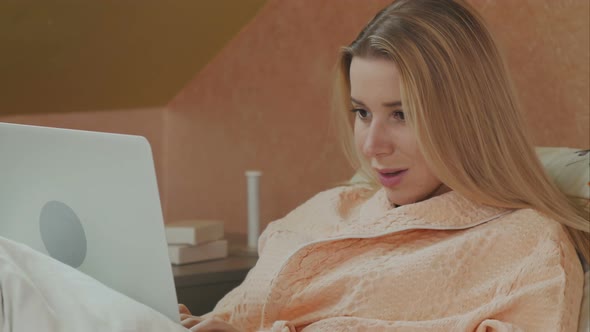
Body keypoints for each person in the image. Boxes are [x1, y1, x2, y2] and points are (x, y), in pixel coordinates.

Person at [180, 0, 589, 331]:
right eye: (361, 112)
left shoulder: (526, 246)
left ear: (468, 116)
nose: (372, 146)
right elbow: (234, 314)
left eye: (402, 113)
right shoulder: (329, 208)